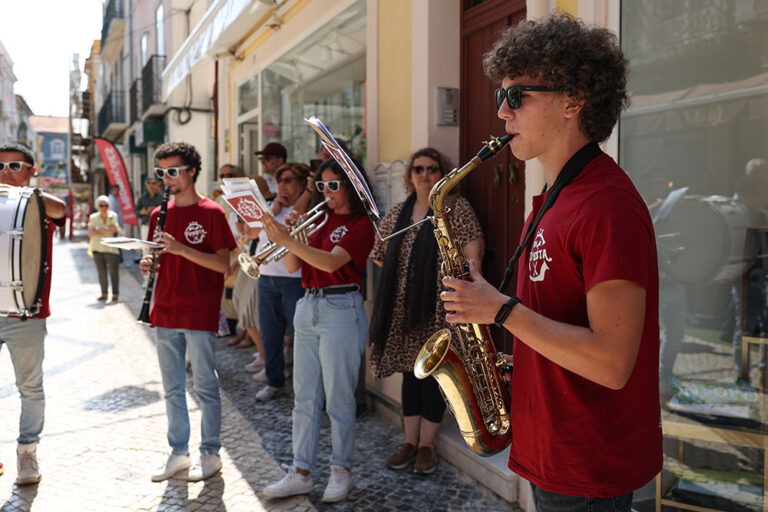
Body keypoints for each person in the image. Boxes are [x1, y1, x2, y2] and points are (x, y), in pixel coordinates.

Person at [440, 14, 661, 510]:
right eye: (500, 97)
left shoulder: (605, 205)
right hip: (553, 450)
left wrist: (499, 311)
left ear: (572, 101)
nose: (502, 113)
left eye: (515, 96)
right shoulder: (552, 201)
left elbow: (611, 362)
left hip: (588, 464)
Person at [262, 159, 374, 503]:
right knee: (304, 397)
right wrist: (292, 236)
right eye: (322, 187)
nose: (326, 193)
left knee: (339, 399)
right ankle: (301, 472)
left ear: (351, 186)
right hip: (308, 305)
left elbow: (330, 262)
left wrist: (289, 239)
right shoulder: (321, 219)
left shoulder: (361, 224)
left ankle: (342, 470)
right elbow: (295, 264)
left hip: (341, 308)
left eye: (333, 186)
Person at [369, 148, 484, 475]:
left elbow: (474, 249)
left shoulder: (455, 209)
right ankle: (409, 440)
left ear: (442, 172)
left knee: (435, 376)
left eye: (432, 168)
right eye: (418, 169)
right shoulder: (399, 212)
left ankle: (426, 445)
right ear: (410, 176)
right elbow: (380, 252)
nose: (424, 174)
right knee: (410, 374)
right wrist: (405, 275)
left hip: (440, 309)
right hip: (405, 309)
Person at [139, 142, 237, 483]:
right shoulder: (157, 214)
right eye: (162, 172)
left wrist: (181, 249)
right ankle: (178, 453)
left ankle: (210, 452)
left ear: (191, 171)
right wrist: (149, 264)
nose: (167, 179)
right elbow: (159, 260)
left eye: (173, 171)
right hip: (164, 309)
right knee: (171, 388)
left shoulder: (213, 213)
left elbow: (223, 265)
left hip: (198, 310)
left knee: (206, 386)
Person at [0, 143, 67, 485]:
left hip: (25, 314)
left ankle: (27, 453)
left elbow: (61, 209)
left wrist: (26, 194)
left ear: (31, 170)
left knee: (30, 387)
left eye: (14, 165)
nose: (5, 171)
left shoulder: (36, 204)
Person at [249, 163, 310, 401]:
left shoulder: (304, 210)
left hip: (293, 280)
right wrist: (272, 209)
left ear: (303, 184)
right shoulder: (271, 207)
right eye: (280, 180)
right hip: (266, 276)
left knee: (299, 335)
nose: (282, 185)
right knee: (270, 334)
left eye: (288, 180)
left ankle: (302, 386)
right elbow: (251, 233)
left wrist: (300, 200)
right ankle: (274, 381)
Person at [87, 195, 122, 302]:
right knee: (101, 271)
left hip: (111, 248)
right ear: (98, 206)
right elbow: (91, 233)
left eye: (106, 205)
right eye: (101, 205)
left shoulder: (113, 215)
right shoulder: (93, 217)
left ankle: (115, 294)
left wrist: (98, 230)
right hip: (97, 248)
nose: (104, 208)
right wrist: (106, 230)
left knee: (114, 271)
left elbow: (114, 230)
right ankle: (104, 293)